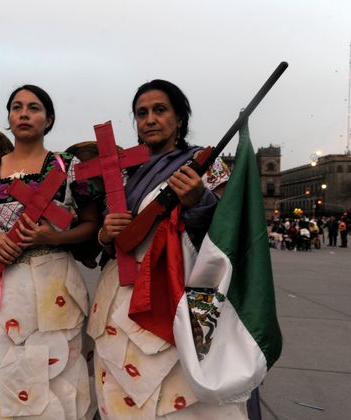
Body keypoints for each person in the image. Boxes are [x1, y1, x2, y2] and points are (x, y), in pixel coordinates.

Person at [87, 80, 252, 418]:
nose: (150, 119)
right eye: (141, 113)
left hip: (176, 292)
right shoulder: (123, 173)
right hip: (118, 297)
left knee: (174, 396)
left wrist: (198, 201)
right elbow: (108, 242)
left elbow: (228, 235)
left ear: (179, 119)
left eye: (160, 110)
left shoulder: (204, 164)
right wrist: (106, 234)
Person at [0, 85, 100, 417]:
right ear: (9, 119)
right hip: (2, 280)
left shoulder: (67, 166)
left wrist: (54, 238)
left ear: (49, 119)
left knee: (58, 372)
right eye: (17, 108)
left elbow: (91, 224)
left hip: (55, 282)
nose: (24, 113)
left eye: (34, 107)